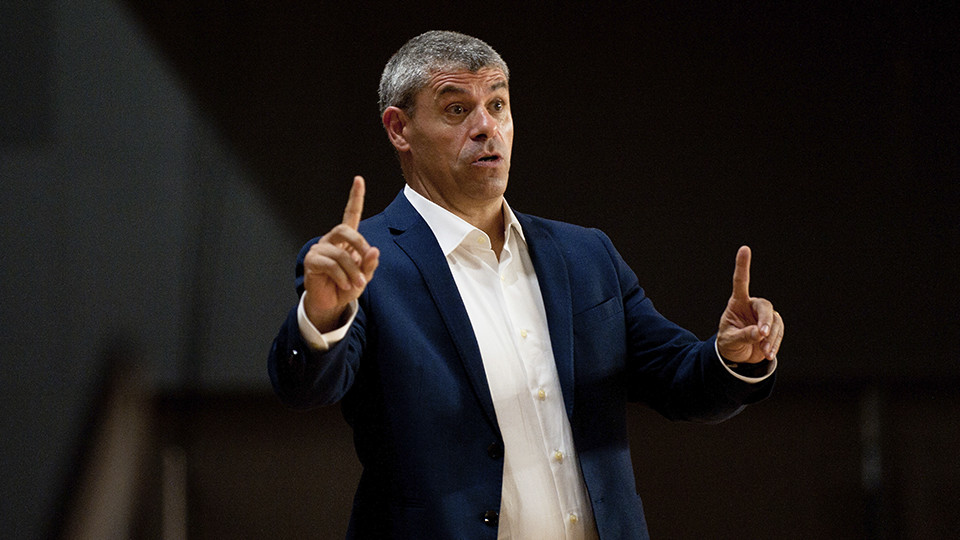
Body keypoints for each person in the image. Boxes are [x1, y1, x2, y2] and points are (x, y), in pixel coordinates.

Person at [268, 30, 783, 540]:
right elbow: (306, 387)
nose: (486, 127)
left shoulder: (585, 255)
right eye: (456, 110)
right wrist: (322, 319)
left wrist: (730, 358)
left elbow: (680, 380)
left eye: (498, 104)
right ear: (399, 128)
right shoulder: (364, 264)